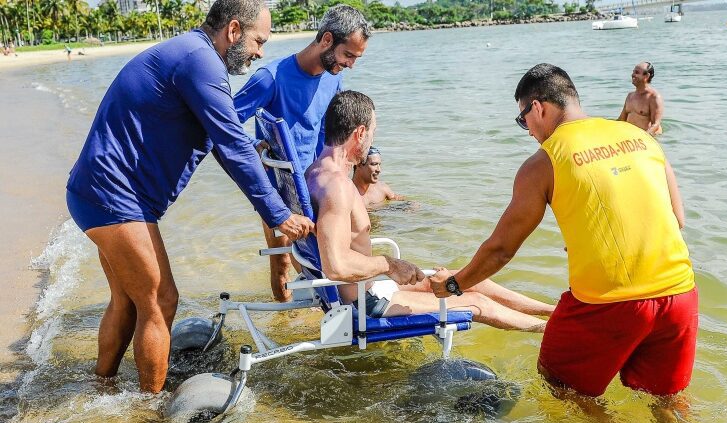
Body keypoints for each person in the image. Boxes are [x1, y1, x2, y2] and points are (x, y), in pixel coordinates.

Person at [65, 0, 313, 393]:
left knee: (127, 301)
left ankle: (104, 386)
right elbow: (231, 145)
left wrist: (255, 150)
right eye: (258, 41)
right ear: (233, 30)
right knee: (161, 301)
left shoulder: (192, 54)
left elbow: (223, 135)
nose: (259, 53)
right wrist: (279, 214)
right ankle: (149, 413)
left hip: (97, 193)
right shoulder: (201, 61)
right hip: (115, 197)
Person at [430, 64, 697, 401]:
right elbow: (677, 218)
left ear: (538, 107)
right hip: (680, 295)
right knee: (668, 402)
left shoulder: (543, 162)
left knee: (560, 385)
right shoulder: (640, 136)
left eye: (522, 119)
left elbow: (501, 249)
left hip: (609, 302)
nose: (527, 131)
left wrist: (454, 285)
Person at [307, 90, 554, 329]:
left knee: (467, 281)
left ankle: (553, 312)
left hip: (368, 288)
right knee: (477, 303)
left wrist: (389, 267)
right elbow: (337, 266)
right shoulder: (338, 186)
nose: (373, 139)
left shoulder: (315, 173)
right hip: (367, 303)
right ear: (360, 133)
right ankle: (554, 331)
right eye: (373, 132)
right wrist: (390, 265)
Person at [234, 5, 370, 302]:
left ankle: (320, 317)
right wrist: (253, 147)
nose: (350, 65)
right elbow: (225, 124)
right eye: (348, 55)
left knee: (328, 259)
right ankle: (285, 320)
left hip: (319, 186)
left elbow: (334, 133)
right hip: (280, 189)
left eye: (356, 58)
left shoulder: (333, 78)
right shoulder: (270, 78)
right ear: (327, 40)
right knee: (283, 261)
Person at [618, 61, 663, 136]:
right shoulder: (630, 96)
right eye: (633, 72)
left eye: (637, 72)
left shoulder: (653, 97)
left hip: (646, 140)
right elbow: (621, 120)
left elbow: (655, 125)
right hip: (631, 137)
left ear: (647, 76)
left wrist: (644, 137)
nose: (633, 75)